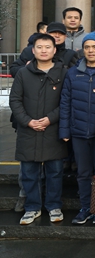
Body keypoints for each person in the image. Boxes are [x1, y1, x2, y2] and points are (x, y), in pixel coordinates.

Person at [59, 32, 95, 225]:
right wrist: (65, 130)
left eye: (94, 47)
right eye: (87, 47)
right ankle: (85, 207)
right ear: (82, 50)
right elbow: (65, 102)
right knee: (83, 173)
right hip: (79, 132)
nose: (90, 50)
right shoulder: (73, 73)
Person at [10, 33, 68, 225]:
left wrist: (50, 119)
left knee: (55, 172)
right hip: (28, 130)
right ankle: (32, 207)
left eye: (47, 47)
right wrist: (28, 121)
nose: (44, 50)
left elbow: (66, 101)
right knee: (29, 173)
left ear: (54, 50)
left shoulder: (63, 73)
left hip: (53, 130)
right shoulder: (23, 73)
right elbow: (15, 100)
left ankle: (54, 206)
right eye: (39, 47)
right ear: (33, 50)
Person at [10, 22, 78, 77]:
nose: (57, 35)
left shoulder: (71, 55)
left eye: (61, 33)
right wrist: (28, 67)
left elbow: (75, 76)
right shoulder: (29, 51)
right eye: (53, 32)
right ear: (47, 34)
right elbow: (13, 70)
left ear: (65, 36)